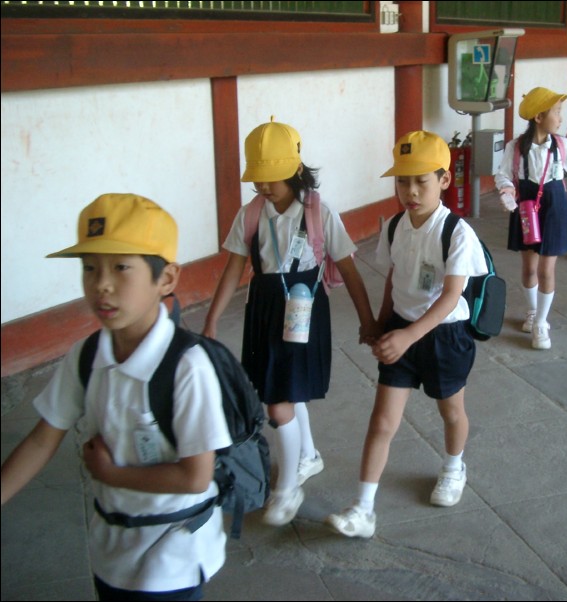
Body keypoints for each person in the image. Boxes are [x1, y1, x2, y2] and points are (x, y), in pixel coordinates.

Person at [1, 193, 231, 600]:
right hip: (111, 549)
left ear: (167, 279)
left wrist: (111, 474)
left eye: (121, 267)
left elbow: (196, 477)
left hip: (171, 555)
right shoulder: (87, 355)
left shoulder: (186, 367)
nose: (101, 284)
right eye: (90, 268)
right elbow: (42, 438)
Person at [202, 118, 377, 527]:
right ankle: (308, 456)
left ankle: (286, 490)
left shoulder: (319, 212)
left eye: (272, 178)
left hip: (304, 310)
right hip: (264, 308)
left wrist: (367, 320)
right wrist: (211, 321)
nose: (264, 187)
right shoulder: (251, 214)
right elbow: (233, 269)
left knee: (278, 402)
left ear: (296, 170)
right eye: (258, 180)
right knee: (284, 388)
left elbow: (349, 269)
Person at [325, 130, 487, 538]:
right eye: (403, 181)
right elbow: (395, 277)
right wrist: (381, 322)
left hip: (444, 335)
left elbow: (452, 297)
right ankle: (363, 509)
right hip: (402, 328)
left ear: (444, 181)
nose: (410, 191)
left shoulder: (457, 232)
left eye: (421, 181)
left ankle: (454, 467)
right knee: (382, 422)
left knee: (450, 411)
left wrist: (408, 336)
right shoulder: (395, 226)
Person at [495, 87, 567, 348]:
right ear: (539, 117)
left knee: (546, 269)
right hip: (526, 204)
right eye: (557, 112)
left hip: (554, 205)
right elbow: (503, 173)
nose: (560, 118)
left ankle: (540, 323)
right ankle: (532, 310)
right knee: (528, 268)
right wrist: (506, 189)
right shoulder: (515, 147)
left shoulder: (562, 145)